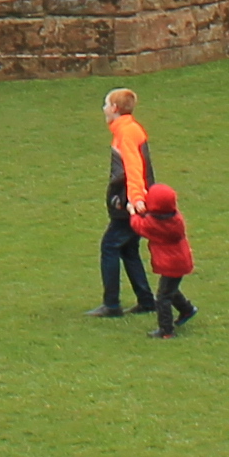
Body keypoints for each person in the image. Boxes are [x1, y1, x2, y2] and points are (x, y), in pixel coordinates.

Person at [96, 87, 159, 319]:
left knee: (110, 246)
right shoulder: (130, 129)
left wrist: (135, 199)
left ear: (114, 108)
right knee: (128, 249)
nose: (103, 109)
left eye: (105, 105)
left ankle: (111, 304)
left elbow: (134, 168)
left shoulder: (125, 133)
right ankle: (145, 300)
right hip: (131, 200)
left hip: (127, 203)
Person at [132, 180, 198, 337]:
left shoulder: (154, 224)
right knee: (170, 289)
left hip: (171, 264)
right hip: (180, 261)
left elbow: (139, 225)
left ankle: (166, 330)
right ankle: (187, 310)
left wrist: (133, 211)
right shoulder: (174, 218)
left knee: (162, 297)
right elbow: (153, 219)